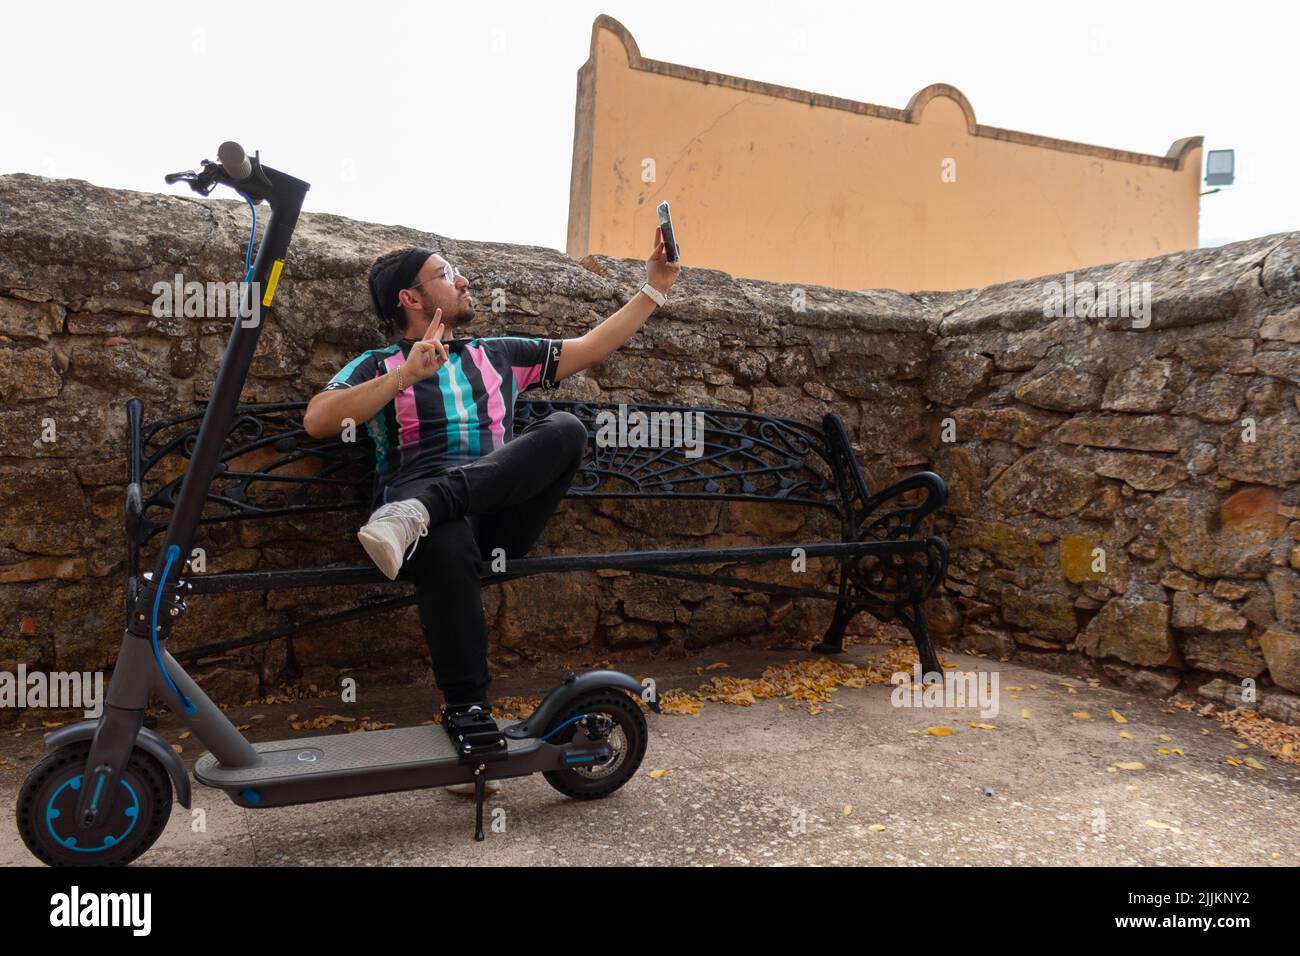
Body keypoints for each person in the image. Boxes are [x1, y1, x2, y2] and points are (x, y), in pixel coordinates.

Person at [303, 229, 681, 732]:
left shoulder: (499, 353)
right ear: (411, 299)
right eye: (444, 274)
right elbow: (319, 419)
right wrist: (404, 378)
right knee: (445, 530)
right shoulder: (379, 365)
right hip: (432, 535)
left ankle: (422, 511)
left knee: (565, 429)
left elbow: (590, 349)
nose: (462, 279)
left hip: (495, 522)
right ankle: (469, 714)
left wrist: (655, 286)